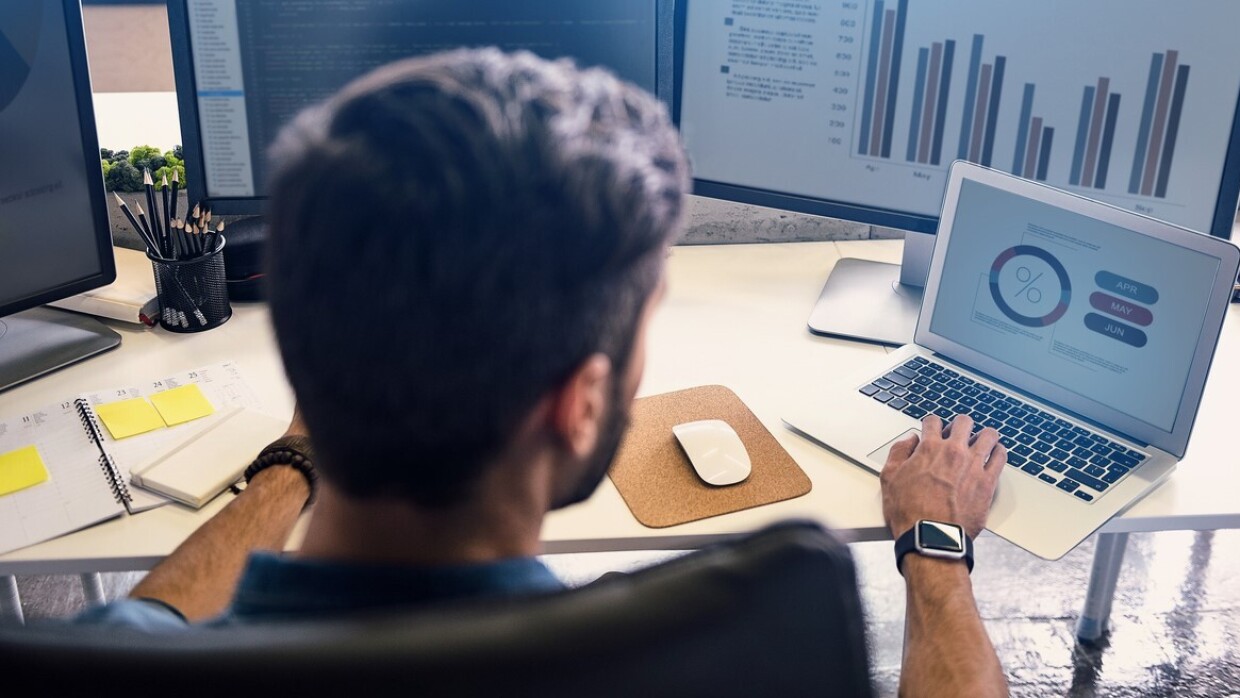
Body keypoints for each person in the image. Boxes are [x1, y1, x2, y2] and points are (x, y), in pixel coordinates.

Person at [75, 48, 1007, 696]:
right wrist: (935, 555)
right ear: (583, 402)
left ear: (304, 366)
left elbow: (150, 631)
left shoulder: (94, 666)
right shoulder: (706, 672)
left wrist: (290, 466)